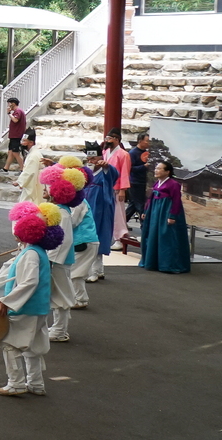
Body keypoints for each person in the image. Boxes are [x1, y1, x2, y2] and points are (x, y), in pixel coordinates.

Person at [0, 202, 61, 397]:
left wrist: (7, 301)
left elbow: (29, 282)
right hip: (39, 307)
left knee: (10, 344)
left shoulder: (30, 254)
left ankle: (16, 383)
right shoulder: (37, 252)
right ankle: (36, 383)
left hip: (26, 308)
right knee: (33, 347)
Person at [39, 163, 88, 344]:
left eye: (49, 187)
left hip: (58, 261)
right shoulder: (60, 211)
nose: (46, 189)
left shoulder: (62, 213)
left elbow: (63, 241)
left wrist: (51, 260)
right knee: (58, 292)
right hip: (57, 259)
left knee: (60, 293)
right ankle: (58, 327)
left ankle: (60, 330)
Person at [140, 161, 192, 274]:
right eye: (156, 168)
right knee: (153, 235)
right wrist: (146, 210)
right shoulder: (156, 183)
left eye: (159, 168)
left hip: (166, 211)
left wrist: (172, 215)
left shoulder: (174, 184)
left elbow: (176, 200)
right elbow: (150, 198)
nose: (156, 170)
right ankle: (153, 262)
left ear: (167, 172)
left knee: (166, 237)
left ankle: (168, 264)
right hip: (155, 211)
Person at [79, 150, 119, 285]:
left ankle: (94, 272)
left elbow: (114, 175)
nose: (91, 161)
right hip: (87, 207)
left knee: (97, 236)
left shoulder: (105, 171)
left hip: (101, 208)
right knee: (89, 236)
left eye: (94, 158)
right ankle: (99, 269)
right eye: (89, 159)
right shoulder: (86, 172)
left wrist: (107, 167)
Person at [126, 132, 153, 224]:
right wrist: (144, 166)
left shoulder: (149, 153)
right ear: (140, 141)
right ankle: (144, 225)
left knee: (133, 205)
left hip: (145, 182)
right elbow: (130, 168)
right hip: (135, 182)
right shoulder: (132, 153)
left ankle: (120, 224)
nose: (149, 143)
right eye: (147, 141)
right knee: (140, 204)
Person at [16, 136, 50, 205]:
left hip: (35, 181)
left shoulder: (33, 156)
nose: (22, 143)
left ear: (31, 142)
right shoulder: (33, 153)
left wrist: (20, 182)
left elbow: (30, 172)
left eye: (24, 141)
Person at [2, 98, 27, 172]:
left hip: (17, 135)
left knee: (15, 153)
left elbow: (15, 120)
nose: (8, 106)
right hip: (14, 135)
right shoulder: (17, 111)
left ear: (13, 103)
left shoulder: (18, 111)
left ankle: (23, 168)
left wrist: (9, 113)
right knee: (10, 152)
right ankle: (6, 168)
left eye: (9, 104)